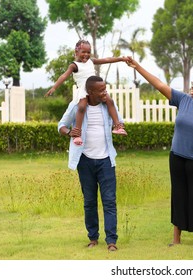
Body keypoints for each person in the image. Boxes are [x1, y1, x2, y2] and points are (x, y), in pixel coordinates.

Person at [126, 57, 193, 245]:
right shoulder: (183, 100)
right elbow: (158, 84)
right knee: (178, 195)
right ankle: (176, 239)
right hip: (177, 157)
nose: (191, 87)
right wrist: (137, 66)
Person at [58, 76, 121, 252]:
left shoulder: (108, 105)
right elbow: (61, 125)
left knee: (109, 201)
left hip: (106, 160)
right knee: (90, 201)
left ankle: (111, 240)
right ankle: (93, 238)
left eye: (105, 89)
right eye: (101, 90)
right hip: (84, 161)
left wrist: (119, 126)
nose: (105, 93)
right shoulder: (77, 106)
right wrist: (69, 132)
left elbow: (118, 122)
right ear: (91, 92)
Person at [47, 39, 128, 146]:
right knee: (81, 108)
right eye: (83, 52)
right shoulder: (74, 65)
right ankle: (77, 135)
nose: (86, 55)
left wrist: (121, 59)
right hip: (84, 90)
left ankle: (117, 126)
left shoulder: (91, 61)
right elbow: (64, 76)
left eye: (88, 52)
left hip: (95, 87)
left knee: (110, 101)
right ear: (76, 52)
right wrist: (54, 87)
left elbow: (107, 59)